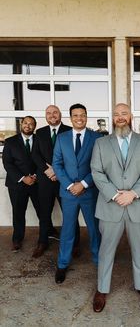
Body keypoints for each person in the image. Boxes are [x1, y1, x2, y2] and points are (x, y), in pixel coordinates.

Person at [91, 103, 140, 312]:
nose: (120, 117)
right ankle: (102, 290)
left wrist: (133, 193)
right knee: (106, 251)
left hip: (138, 204)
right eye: (116, 114)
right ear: (112, 118)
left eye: (124, 113)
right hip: (111, 205)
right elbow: (96, 171)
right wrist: (114, 194)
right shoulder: (101, 143)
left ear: (131, 116)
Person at [52, 103, 101, 284]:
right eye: (75, 115)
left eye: (82, 115)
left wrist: (84, 184)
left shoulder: (96, 137)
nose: (79, 118)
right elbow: (57, 164)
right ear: (70, 118)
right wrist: (69, 185)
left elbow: (99, 166)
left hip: (90, 192)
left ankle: (99, 261)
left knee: (95, 229)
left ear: (87, 116)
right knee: (67, 229)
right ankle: (62, 264)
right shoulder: (62, 138)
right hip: (69, 193)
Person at [31, 105, 73, 258]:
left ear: (60, 114)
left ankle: (73, 244)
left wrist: (57, 170)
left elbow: (73, 154)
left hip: (65, 179)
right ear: (46, 116)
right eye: (48, 113)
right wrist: (46, 169)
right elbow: (35, 154)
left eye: (55, 112)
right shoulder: (40, 132)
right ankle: (42, 242)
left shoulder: (69, 131)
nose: (52, 115)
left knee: (69, 212)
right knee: (44, 212)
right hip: (45, 179)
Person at [2, 116, 40, 252]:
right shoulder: (10, 142)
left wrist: (35, 176)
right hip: (17, 184)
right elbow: (7, 163)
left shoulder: (39, 140)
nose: (28, 126)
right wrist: (23, 178)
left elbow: (43, 159)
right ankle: (17, 239)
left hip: (36, 182)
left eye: (31, 124)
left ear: (34, 126)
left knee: (42, 211)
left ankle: (45, 237)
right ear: (21, 124)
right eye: (25, 123)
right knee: (18, 212)